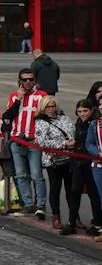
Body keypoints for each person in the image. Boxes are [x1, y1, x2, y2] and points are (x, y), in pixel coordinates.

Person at [3, 68, 48, 218]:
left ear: (34, 80)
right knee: (20, 175)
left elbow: (48, 116)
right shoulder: (14, 96)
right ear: (20, 81)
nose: (28, 82)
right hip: (17, 140)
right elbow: (7, 117)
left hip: (33, 141)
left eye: (30, 79)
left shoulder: (42, 96)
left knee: (36, 174)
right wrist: (19, 99)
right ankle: (27, 204)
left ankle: (41, 204)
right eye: (25, 79)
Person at [34, 97, 78, 232]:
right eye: (48, 107)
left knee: (72, 189)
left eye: (53, 106)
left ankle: (75, 217)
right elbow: (41, 143)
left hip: (69, 159)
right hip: (53, 161)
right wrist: (63, 144)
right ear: (42, 107)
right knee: (55, 188)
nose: (51, 109)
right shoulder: (41, 122)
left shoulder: (64, 118)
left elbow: (73, 132)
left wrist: (71, 142)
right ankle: (56, 216)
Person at [72, 101, 102, 236]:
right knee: (77, 192)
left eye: (85, 111)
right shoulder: (90, 124)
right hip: (88, 163)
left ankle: (98, 224)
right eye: (80, 111)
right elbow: (88, 143)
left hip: (90, 163)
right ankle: (73, 222)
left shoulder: (93, 123)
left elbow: (87, 144)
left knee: (95, 196)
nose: (82, 114)